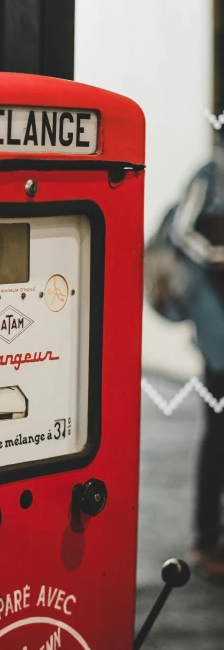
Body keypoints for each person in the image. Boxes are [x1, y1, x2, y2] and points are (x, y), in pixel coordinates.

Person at [147, 141, 224, 582]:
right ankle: (205, 536)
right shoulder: (210, 173)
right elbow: (184, 233)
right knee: (216, 433)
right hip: (217, 328)